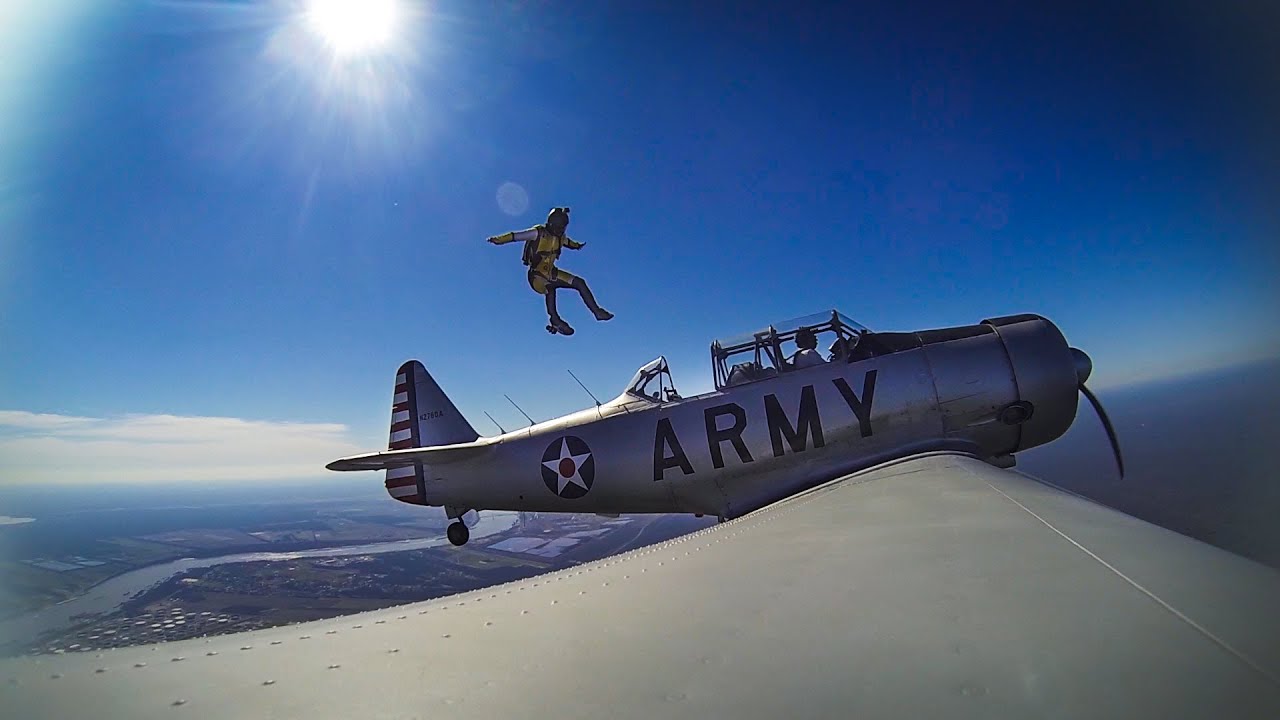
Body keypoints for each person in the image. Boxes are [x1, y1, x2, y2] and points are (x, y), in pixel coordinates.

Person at [487, 207, 612, 335]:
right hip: (536, 276)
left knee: (579, 282)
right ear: (551, 224)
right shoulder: (538, 233)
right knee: (550, 288)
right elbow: (516, 236)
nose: (560, 231)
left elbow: (569, 243)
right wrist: (499, 240)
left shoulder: (561, 238)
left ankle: (597, 312)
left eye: (563, 228)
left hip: (552, 272)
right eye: (559, 228)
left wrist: (577, 246)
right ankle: (555, 319)